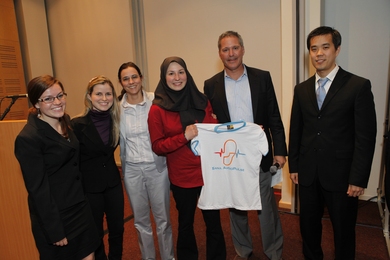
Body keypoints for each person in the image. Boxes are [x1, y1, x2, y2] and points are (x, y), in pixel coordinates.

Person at [288, 26, 377, 259]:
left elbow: (365, 137)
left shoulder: (358, 86)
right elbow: (296, 130)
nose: (319, 53)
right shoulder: (301, 89)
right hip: (307, 173)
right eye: (314, 48)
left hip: (342, 176)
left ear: (337, 49)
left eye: (325, 47)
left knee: (343, 231)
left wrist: (358, 178)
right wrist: (294, 166)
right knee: (308, 228)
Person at [204, 31, 287, 260]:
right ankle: (243, 250)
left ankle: (273, 252)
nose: (231, 54)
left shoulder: (262, 77)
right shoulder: (211, 85)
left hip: (258, 153)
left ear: (242, 49)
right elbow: (211, 122)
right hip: (231, 157)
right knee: (235, 207)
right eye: (225, 49)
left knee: (266, 207)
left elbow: (274, 117)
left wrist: (280, 151)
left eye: (235, 48)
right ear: (219, 53)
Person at [148, 56, 226, 260]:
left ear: (187, 74)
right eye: (171, 73)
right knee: (185, 223)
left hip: (208, 172)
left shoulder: (201, 100)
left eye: (181, 72)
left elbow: (214, 129)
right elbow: (157, 146)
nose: (177, 77)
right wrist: (183, 137)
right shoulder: (157, 109)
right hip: (182, 176)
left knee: (214, 223)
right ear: (164, 77)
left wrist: (245, 132)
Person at [14, 75, 100, 260]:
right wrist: (54, 230)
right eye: (48, 99)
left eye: (60, 95)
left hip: (80, 208)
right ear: (36, 103)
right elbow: (38, 190)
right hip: (58, 216)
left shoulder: (65, 120)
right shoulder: (28, 138)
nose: (58, 102)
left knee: (90, 255)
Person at [117, 62, 174, 260]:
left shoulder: (156, 101)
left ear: (141, 78)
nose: (131, 82)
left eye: (134, 77)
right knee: (140, 221)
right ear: (121, 83)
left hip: (157, 167)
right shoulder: (117, 109)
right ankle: (147, 257)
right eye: (126, 78)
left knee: (163, 219)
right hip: (132, 170)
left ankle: (168, 257)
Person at [71, 76, 124, 260]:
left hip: (113, 184)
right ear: (89, 96)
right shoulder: (76, 125)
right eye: (99, 94)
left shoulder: (117, 121)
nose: (104, 98)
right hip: (90, 187)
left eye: (108, 94)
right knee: (95, 233)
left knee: (117, 229)